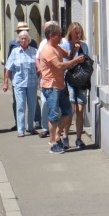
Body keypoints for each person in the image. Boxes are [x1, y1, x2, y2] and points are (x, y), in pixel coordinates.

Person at [37, 20, 78, 154]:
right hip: (51, 86)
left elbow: (68, 55)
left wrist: (75, 49)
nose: (61, 37)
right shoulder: (48, 50)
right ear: (52, 36)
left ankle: (56, 135)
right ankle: (54, 143)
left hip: (60, 85)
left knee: (68, 112)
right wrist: (76, 61)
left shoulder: (57, 47)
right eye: (59, 35)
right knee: (54, 115)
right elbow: (60, 65)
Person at [6, 22, 42, 130]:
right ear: (17, 32)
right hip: (18, 80)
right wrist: (7, 80)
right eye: (20, 31)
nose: (23, 38)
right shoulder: (13, 44)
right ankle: (19, 126)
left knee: (33, 104)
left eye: (25, 30)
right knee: (19, 104)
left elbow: (38, 60)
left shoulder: (33, 44)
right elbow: (9, 63)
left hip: (31, 80)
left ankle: (35, 122)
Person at [64, 22, 91, 149]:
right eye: (76, 33)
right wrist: (74, 53)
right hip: (69, 80)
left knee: (80, 110)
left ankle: (79, 139)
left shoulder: (84, 46)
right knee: (71, 110)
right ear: (71, 33)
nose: (78, 35)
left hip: (81, 81)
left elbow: (88, 62)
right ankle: (65, 137)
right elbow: (65, 65)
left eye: (80, 33)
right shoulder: (65, 45)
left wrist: (85, 60)